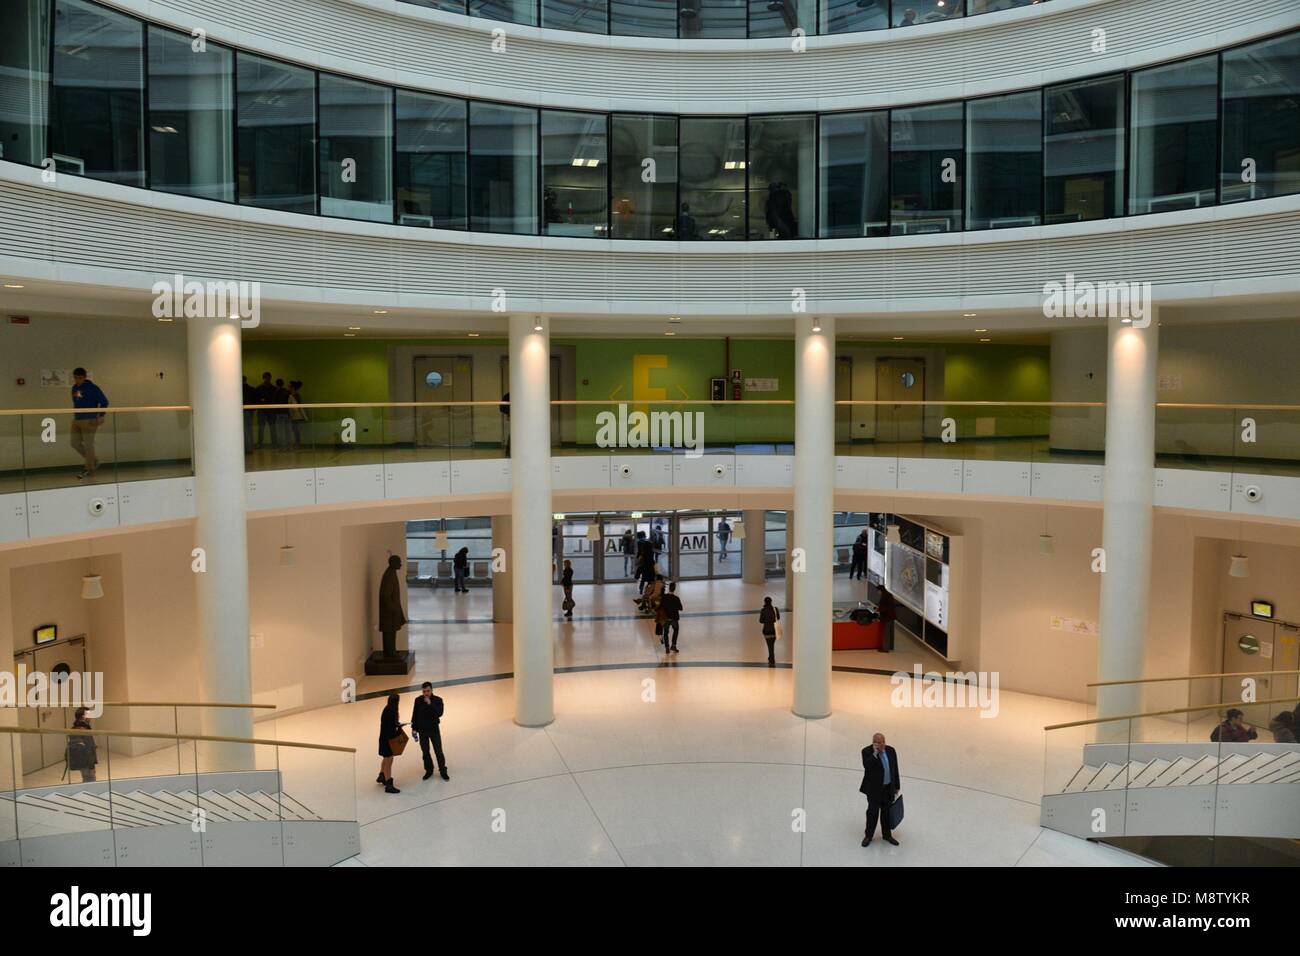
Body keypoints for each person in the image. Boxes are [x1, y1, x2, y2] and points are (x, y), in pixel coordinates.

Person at [860, 732, 901, 847]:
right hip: (874, 791)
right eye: (878, 743)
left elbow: (895, 770)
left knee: (886, 813)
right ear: (874, 743)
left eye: (883, 742)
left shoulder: (891, 751)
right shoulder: (866, 752)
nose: (881, 744)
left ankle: (887, 835)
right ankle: (868, 836)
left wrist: (896, 786)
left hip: (888, 789)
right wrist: (875, 753)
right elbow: (867, 766)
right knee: (872, 813)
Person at [70, 368, 108, 480]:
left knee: (88, 445)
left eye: (79, 378)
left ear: (84, 377)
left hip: (89, 419)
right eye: (75, 377)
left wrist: (101, 415)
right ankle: (93, 461)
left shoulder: (93, 388)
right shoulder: (74, 388)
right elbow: (77, 402)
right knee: (74, 443)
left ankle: (88, 469)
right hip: (77, 419)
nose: (76, 380)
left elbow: (104, 402)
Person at [410, 682, 449, 781]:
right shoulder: (418, 700)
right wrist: (414, 727)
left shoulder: (438, 700)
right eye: (424, 691)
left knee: (438, 751)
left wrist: (430, 704)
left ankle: (443, 771)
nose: (426, 693)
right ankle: (429, 770)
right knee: (425, 752)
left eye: (428, 691)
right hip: (422, 731)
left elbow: (439, 713)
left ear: (432, 690)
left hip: (434, 730)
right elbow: (415, 714)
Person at [377, 555, 407, 660]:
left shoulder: (391, 573)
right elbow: (385, 595)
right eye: (399, 562)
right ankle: (390, 652)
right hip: (389, 611)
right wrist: (393, 608)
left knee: (391, 631)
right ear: (393, 563)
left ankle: (391, 651)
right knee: (389, 631)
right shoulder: (389, 575)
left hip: (391, 610)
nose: (401, 564)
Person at [376, 693, 404, 794]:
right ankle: (389, 784)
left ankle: (382, 775)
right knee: (389, 759)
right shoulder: (391, 713)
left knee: (385, 758)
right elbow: (391, 730)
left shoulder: (387, 709)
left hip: (383, 739)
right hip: (388, 740)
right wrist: (398, 729)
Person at [67, 707, 98, 783]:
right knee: (90, 777)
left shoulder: (74, 728)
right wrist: (92, 765)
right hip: (86, 761)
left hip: (81, 760)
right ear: (83, 716)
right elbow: (89, 749)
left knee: (86, 777)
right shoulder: (84, 730)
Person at [659, 581, 683, 653]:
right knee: (676, 630)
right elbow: (681, 608)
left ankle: (667, 648)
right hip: (674, 618)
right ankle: (673, 645)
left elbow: (660, 607)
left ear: (669, 588)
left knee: (666, 632)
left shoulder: (664, 597)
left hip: (666, 618)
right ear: (674, 589)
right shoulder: (676, 598)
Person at [255, 371, 277, 448]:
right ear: (263, 378)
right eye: (267, 378)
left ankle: (274, 443)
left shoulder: (274, 388)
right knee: (261, 428)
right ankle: (260, 443)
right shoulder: (259, 388)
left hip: (271, 410)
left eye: (269, 378)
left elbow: (275, 400)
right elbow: (256, 399)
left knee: (272, 427)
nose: (268, 379)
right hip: (262, 410)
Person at [759, 596, 780, 666]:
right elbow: (778, 618)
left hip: (767, 630)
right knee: (772, 644)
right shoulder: (775, 609)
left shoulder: (763, 610)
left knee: (769, 645)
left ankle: (772, 658)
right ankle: (770, 656)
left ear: (765, 602)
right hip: (774, 630)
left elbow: (761, 621)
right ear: (771, 602)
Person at [287, 380, 308, 450]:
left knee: (296, 431)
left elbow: (295, 407)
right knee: (296, 431)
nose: (288, 388)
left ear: (292, 387)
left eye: (289, 386)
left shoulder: (292, 396)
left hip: (295, 417)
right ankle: (297, 444)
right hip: (297, 416)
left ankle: (297, 445)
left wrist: (291, 415)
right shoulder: (296, 395)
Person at [876, 585, 897, 651]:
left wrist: (879, 610)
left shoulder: (884, 596)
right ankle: (891, 646)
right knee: (891, 632)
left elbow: (886, 607)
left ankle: (885, 648)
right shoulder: (889, 595)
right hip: (892, 616)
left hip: (886, 617)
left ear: (880, 590)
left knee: (886, 633)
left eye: (878, 591)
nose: (877, 592)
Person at [273, 378, 291, 450]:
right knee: (287, 430)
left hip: (279, 413)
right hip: (286, 412)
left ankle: (282, 446)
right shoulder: (286, 392)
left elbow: (274, 402)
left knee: (280, 431)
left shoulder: (276, 392)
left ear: (276, 384)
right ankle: (288, 446)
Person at [242, 375, 257, 454]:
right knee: (249, 429)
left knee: (244, 430)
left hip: (243, 411)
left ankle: (246, 448)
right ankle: (250, 447)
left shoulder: (239, 389)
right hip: (250, 411)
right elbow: (255, 400)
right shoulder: (251, 389)